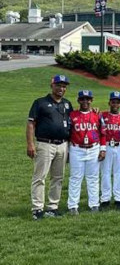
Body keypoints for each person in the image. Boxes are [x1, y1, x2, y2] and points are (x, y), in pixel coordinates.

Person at [27, 74, 73, 220]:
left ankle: (52, 207)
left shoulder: (67, 104)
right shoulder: (40, 102)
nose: (61, 88)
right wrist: (30, 143)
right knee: (40, 177)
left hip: (62, 145)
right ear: (52, 85)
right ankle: (37, 208)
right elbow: (30, 124)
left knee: (58, 178)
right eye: (58, 85)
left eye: (64, 86)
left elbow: (74, 123)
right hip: (45, 143)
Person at [67, 90, 106, 215]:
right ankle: (73, 206)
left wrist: (103, 149)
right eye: (82, 99)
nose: (85, 101)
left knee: (93, 178)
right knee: (75, 177)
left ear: (91, 100)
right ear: (78, 100)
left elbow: (103, 133)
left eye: (87, 99)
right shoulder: (72, 115)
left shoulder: (97, 115)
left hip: (93, 148)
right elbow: (68, 132)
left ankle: (94, 204)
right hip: (77, 148)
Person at [99, 91, 120, 210]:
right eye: (113, 102)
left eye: (117, 102)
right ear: (109, 102)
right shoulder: (102, 116)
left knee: (119, 173)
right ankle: (105, 199)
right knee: (105, 173)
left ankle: (118, 199)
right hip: (107, 145)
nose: (115, 104)